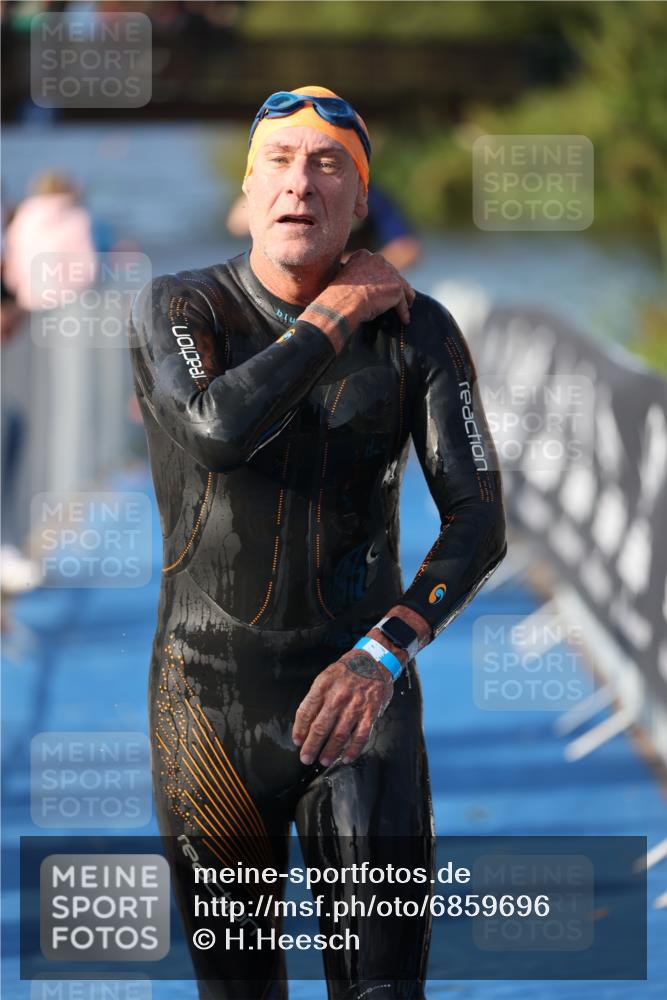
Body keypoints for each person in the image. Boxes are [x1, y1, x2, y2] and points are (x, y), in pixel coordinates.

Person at [129, 85, 506, 1000]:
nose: (302, 182)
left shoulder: (419, 331)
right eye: (280, 162)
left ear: (360, 199)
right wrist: (336, 313)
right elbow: (219, 429)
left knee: (382, 992)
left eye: (328, 164)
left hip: (362, 696)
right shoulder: (179, 307)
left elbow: (478, 517)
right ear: (248, 193)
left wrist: (385, 651)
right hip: (208, 705)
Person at [227, 181, 422, 271]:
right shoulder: (288, 191)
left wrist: (352, 267)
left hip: (352, 287)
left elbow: (409, 251)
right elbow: (235, 225)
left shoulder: (372, 196)